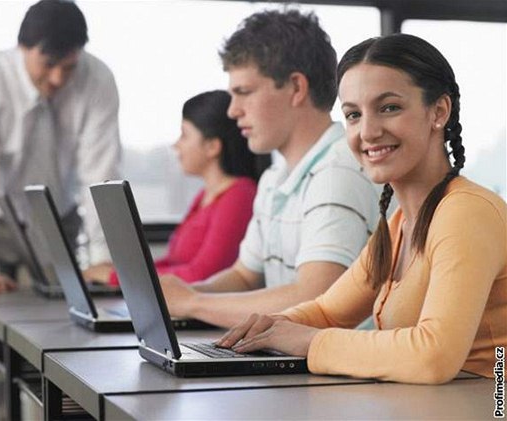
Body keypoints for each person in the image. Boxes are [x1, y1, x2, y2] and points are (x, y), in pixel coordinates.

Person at [216, 33, 507, 384]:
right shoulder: (401, 222)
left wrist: (310, 341)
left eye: (389, 108)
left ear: (439, 111)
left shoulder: (466, 212)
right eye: (353, 115)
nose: (367, 131)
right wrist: (267, 330)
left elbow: (434, 356)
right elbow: (327, 310)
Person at [159, 10, 381, 328]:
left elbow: (316, 297)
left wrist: (194, 303)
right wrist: (182, 296)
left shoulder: (338, 169)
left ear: (295, 88)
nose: (234, 111)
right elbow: (245, 275)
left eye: (244, 93)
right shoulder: (274, 178)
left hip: (342, 369)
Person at [0, 0, 121, 294]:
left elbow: (100, 176)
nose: (57, 78)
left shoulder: (97, 79)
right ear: (22, 48)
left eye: (68, 67)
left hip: (58, 219)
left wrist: (102, 258)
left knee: (62, 322)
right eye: (48, 64)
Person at [92, 90, 269, 284]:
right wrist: (125, 272)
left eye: (184, 135)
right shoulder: (205, 195)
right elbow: (175, 263)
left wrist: (116, 278)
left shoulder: (239, 196)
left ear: (212, 147)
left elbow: (202, 275)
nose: (176, 145)